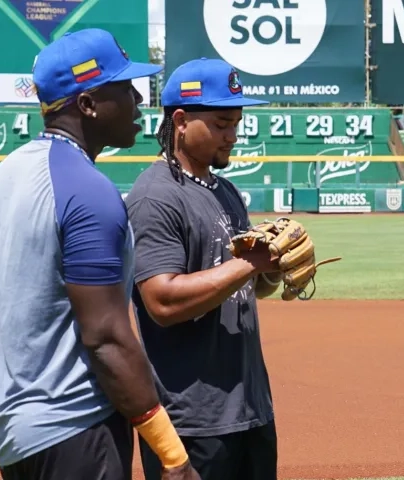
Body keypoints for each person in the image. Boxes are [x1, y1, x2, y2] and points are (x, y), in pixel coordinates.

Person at [0, 28, 200, 480]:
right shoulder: (87, 190)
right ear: (88, 104)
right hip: (75, 426)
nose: (139, 98)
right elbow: (107, 338)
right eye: (125, 88)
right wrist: (172, 457)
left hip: (14, 434)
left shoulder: (5, 175)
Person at [123, 57, 281, 480]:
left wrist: (273, 268)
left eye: (236, 123)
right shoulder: (154, 197)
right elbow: (162, 301)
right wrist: (250, 263)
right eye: (221, 123)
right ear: (180, 120)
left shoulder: (225, 190)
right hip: (192, 420)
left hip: (250, 408)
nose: (233, 135)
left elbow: (248, 286)